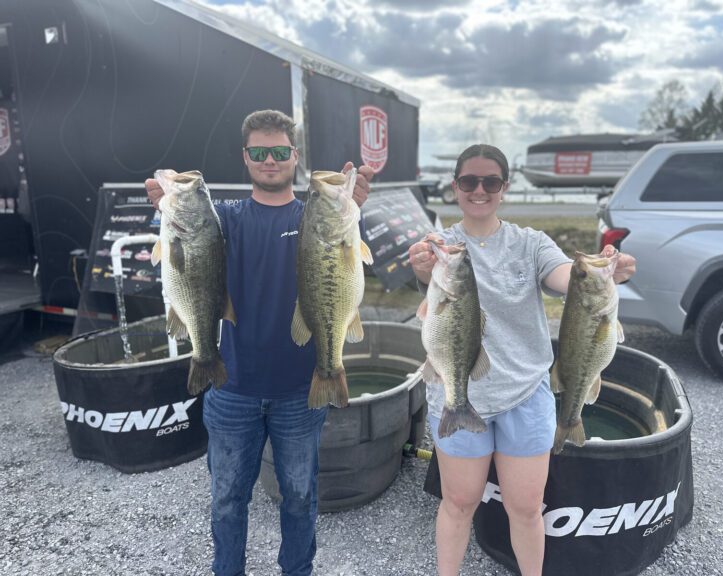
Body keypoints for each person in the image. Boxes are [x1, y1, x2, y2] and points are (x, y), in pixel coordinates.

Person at [145, 109, 374, 576]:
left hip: (300, 390)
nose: (269, 160)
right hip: (232, 388)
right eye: (258, 152)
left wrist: (354, 206)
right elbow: (190, 247)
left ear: (294, 157)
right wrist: (165, 209)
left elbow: (343, 272)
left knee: (300, 496)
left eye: (279, 152)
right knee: (227, 499)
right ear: (245, 158)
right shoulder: (223, 217)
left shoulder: (314, 217)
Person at [408, 144, 636, 576]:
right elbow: (425, 274)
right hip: (459, 392)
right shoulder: (441, 248)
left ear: (504, 188)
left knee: (528, 507)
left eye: (490, 182)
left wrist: (606, 270)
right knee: (458, 503)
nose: (479, 190)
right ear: (455, 187)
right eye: (469, 181)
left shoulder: (531, 243)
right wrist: (423, 266)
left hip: (525, 395)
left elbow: (566, 275)